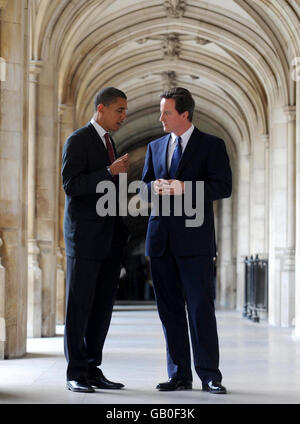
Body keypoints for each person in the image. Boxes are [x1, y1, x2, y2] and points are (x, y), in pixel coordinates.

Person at [140, 87, 232, 394]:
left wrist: (185, 188)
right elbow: (143, 189)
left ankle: (209, 375)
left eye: (166, 112)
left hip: (195, 242)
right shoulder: (155, 146)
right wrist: (155, 187)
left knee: (200, 308)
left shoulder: (211, 145)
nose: (160, 118)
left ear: (184, 114)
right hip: (161, 240)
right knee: (170, 311)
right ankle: (179, 374)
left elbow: (223, 187)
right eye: (161, 112)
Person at [62, 87, 129, 393]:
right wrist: (108, 171)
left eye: (125, 112)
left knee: (102, 307)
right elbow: (71, 185)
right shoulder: (78, 140)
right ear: (101, 109)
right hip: (85, 239)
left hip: (109, 239)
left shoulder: (109, 142)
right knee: (79, 307)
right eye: (120, 111)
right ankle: (75, 372)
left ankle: (92, 368)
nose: (123, 117)